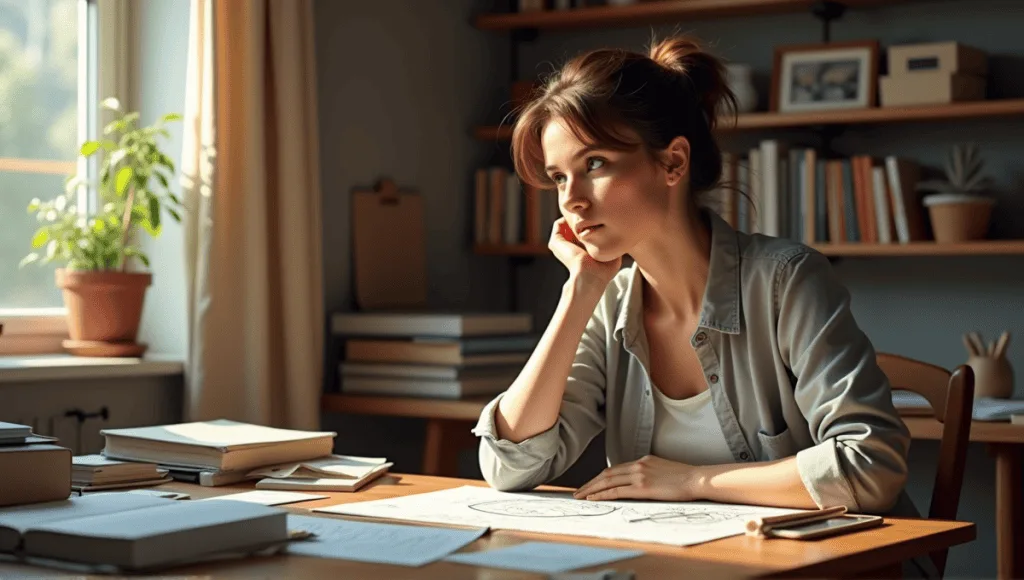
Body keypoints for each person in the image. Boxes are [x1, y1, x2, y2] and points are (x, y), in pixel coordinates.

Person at [472, 33, 932, 576]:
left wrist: (691, 481)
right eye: (557, 177)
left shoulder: (787, 281)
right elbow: (511, 465)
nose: (571, 199)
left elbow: (869, 465)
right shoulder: (607, 301)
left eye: (594, 164)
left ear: (673, 162)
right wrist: (580, 291)